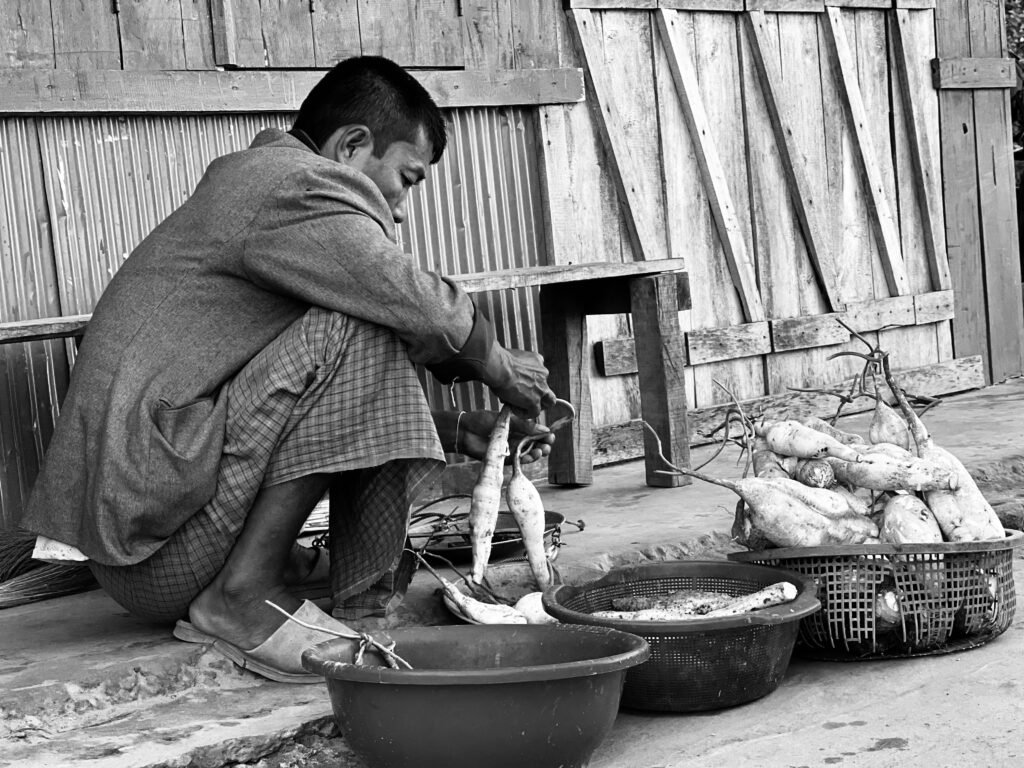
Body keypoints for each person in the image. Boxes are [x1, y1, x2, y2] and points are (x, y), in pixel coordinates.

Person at [20, 56, 558, 683]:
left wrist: (457, 427)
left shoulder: (265, 187)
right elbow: (422, 306)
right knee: (364, 318)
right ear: (352, 145)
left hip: (148, 538)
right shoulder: (292, 185)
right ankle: (238, 599)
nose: (404, 206)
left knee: (360, 318)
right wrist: (498, 366)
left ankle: (351, 595)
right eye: (406, 178)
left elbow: (300, 397)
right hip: (157, 548)